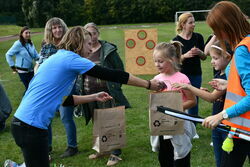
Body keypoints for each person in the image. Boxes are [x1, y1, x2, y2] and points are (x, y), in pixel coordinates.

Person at [5, 26, 164, 167]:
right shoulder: (71, 59)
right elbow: (112, 74)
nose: (91, 48)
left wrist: (93, 96)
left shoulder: (58, 57)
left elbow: (64, 100)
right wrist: (148, 84)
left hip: (22, 124)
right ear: (79, 42)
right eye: (88, 44)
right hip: (31, 128)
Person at [202, 1, 250, 167]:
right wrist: (229, 84)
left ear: (228, 26)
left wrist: (221, 115)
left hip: (243, 128)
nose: (218, 36)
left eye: (217, 30)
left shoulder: (243, 49)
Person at [76, 22, 130, 166]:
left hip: (106, 93)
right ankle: (102, 149)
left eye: (93, 33)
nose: (91, 37)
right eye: (88, 34)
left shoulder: (108, 49)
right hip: (89, 93)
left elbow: (119, 69)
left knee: (111, 122)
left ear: (98, 34)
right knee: (97, 123)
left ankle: (115, 154)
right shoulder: (82, 50)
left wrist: (114, 87)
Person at [172, 41, 232, 167]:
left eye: (215, 58)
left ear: (228, 58)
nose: (211, 61)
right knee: (219, 160)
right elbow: (217, 96)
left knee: (227, 161)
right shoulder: (219, 73)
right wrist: (201, 91)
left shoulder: (228, 76)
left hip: (227, 124)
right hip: (216, 123)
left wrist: (189, 87)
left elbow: (211, 98)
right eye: (211, 58)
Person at [37, 17, 78, 158]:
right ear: (50, 30)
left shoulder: (69, 44)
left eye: (60, 27)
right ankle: (46, 147)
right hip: (49, 89)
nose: (58, 30)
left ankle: (72, 147)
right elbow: (40, 64)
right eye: (54, 28)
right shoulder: (46, 45)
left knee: (66, 117)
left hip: (67, 86)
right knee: (46, 118)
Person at [151, 41, 197, 167]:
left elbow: (192, 101)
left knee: (181, 156)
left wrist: (175, 107)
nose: (157, 64)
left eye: (160, 61)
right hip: (162, 124)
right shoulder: (156, 79)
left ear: (171, 60)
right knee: (165, 157)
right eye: (155, 61)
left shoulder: (182, 78)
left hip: (179, 123)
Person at [172, 12, 206, 135]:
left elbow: (204, 57)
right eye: (190, 22)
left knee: (194, 100)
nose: (194, 24)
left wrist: (199, 52)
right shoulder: (176, 41)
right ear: (183, 24)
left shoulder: (198, 37)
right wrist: (185, 56)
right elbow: (173, 61)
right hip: (181, 75)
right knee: (182, 100)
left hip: (196, 73)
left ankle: (193, 128)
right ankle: (180, 125)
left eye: (194, 22)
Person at [5, 26, 40, 91]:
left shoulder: (30, 43)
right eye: (26, 33)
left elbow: (35, 55)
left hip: (31, 70)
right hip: (22, 71)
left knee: (33, 87)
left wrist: (41, 59)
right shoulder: (18, 44)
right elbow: (8, 55)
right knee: (29, 88)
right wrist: (12, 66)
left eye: (29, 33)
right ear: (21, 34)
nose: (28, 34)